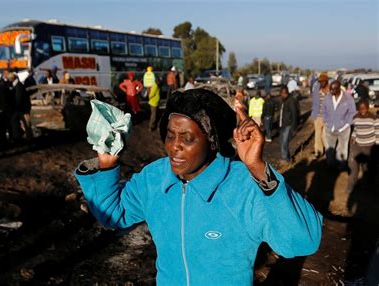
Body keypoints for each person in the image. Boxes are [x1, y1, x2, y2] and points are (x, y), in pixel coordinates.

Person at [75, 88, 322, 285]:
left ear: (212, 141)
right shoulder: (155, 178)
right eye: (170, 135)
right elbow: (114, 214)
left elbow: (301, 242)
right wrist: (107, 166)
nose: (174, 147)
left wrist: (258, 168)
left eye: (187, 138)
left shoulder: (241, 186)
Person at [322, 80, 356, 169]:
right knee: (329, 149)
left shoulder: (348, 98)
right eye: (330, 89)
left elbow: (352, 112)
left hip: (344, 129)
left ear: (338, 89)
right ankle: (330, 165)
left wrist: (346, 124)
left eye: (333, 89)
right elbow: (324, 111)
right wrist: (326, 121)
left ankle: (341, 166)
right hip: (329, 128)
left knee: (342, 149)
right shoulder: (327, 97)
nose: (331, 91)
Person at [345, 99, 376, 193]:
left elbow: (377, 133)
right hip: (357, 146)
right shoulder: (356, 118)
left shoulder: (374, 119)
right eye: (360, 109)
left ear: (368, 108)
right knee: (353, 167)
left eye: (364, 108)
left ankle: (366, 187)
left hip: (369, 146)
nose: (362, 111)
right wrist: (352, 139)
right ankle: (351, 186)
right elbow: (355, 130)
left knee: (366, 168)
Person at [311, 73, 329, 158]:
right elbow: (314, 102)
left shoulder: (330, 91)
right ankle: (318, 151)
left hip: (327, 117)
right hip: (317, 116)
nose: (320, 83)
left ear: (326, 81)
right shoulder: (316, 89)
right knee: (317, 134)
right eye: (319, 82)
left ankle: (328, 152)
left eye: (322, 82)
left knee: (325, 135)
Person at [278, 85, 299, 164]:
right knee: (281, 142)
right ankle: (288, 157)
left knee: (284, 142)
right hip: (282, 124)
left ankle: (286, 159)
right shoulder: (282, 100)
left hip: (288, 125)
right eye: (282, 93)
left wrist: (294, 128)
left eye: (285, 93)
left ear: (287, 93)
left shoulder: (291, 100)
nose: (284, 95)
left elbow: (294, 114)